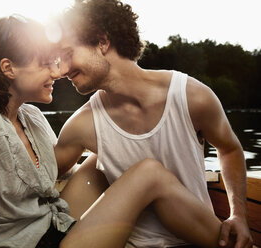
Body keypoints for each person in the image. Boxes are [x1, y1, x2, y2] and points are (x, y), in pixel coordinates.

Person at [0, 13, 225, 248]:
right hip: (30, 243)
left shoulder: (30, 117)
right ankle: (234, 243)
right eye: (46, 64)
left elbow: (47, 175)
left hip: (53, 225)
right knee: (147, 173)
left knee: (103, 160)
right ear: (8, 68)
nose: (58, 72)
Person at [52, 0, 253, 247]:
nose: (62, 70)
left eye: (68, 54)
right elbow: (43, 173)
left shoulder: (190, 97)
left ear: (102, 42)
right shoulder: (83, 125)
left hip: (195, 238)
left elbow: (230, 149)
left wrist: (238, 215)